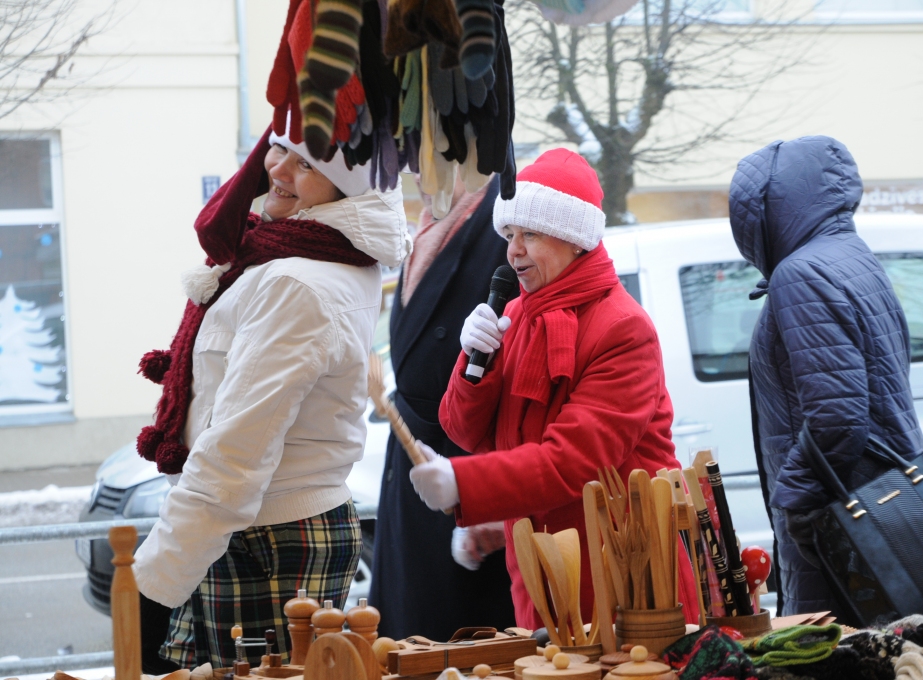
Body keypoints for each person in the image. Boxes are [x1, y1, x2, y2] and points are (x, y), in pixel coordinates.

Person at [132, 125, 411, 671]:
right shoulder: (300, 256)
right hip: (260, 529)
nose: (279, 169)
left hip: (270, 538)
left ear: (344, 189)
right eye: (280, 150)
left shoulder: (296, 281)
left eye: (308, 166)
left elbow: (237, 446)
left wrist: (156, 581)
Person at [408, 148, 699, 629]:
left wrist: (465, 484)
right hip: (542, 578)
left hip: (627, 581)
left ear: (574, 239)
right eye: (509, 234)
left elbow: (573, 460)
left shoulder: (623, 328)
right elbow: (461, 429)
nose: (513, 251)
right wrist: (470, 363)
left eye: (531, 235)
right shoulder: (519, 315)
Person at [728, 136, 923, 619]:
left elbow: (837, 412)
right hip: (885, 502)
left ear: (764, 210)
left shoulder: (802, 273)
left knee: (841, 656)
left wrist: (793, 498)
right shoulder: (853, 257)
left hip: (842, 516)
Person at [369, 173, 517, 640]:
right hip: (414, 463)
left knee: (462, 645)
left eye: (427, 146)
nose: (414, 166)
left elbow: (516, 381)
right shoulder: (430, 222)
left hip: (464, 468)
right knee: (409, 637)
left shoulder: (503, 224)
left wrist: (488, 498)